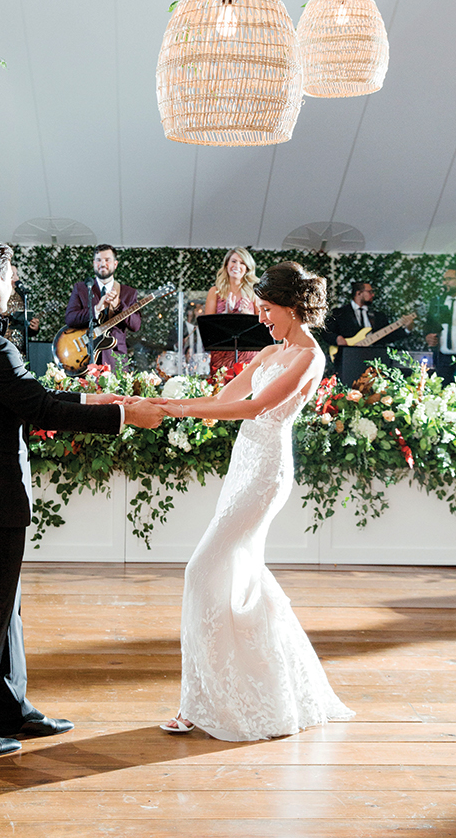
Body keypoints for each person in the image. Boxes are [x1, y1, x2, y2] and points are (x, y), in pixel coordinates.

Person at [0, 239, 164, 761]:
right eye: (10, 277)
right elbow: (38, 408)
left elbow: (23, 396)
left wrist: (99, 398)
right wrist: (124, 416)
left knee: (2, 605)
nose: (13, 286)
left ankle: (12, 709)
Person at [157, 261, 354, 741]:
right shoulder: (270, 352)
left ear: (292, 308)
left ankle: (198, 702)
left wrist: (179, 408)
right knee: (241, 577)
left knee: (201, 571)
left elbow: (254, 408)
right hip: (243, 464)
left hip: (266, 473)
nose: (262, 318)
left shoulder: (309, 358)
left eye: (267, 309)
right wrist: (165, 406)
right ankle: (269, 693)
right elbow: (226, 398)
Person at [65, 244, 141, 369]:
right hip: (85, 359)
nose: (102, 264)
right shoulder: (81, 288)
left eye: (107, 260)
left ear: (115, 264)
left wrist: (119, 305)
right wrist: (96, 310)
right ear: (94, 263)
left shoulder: (129, 292)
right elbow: (70, 319)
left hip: (116, 361)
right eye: (98, 260)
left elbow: (136, 325)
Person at [204, 248, 259, 378]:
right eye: (233, 261)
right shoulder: (215, 291)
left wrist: (248, 316)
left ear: (247, 268)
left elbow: (264, 323)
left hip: (249, 355)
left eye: (242, 263)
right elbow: (208, 328)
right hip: (221, 355)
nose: (237, 266)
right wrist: (226, 313)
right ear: (227, 264)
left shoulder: (254, 292)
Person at [323, 281, 393, 374]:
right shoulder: (340, 313)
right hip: (348, 360)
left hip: (373, 360)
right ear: (358, 293)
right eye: (369, 292)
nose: (372, 295)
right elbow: (325, 331)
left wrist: (406, 329)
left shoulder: (377, 316)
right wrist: (337, 338)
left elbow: (388, 336)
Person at [425, 263, 456, 385]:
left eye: (449, 279)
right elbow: (428, 325)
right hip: (442, 359)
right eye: (444, 279)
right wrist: (428, 336)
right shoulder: (437, 301)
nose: (445, 283)